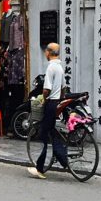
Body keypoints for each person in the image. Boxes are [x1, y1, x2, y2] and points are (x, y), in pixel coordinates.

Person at [28, 43, 70, 179]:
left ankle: (41, 168)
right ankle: (60, 157)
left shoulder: (51, 67)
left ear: (49, 52)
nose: (45, 53)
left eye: (46, 51)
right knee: (51, 131)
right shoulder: (60, 67)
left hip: (50, 104)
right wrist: (60, 98)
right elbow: (64, 88)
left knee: (44, 135)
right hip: (56, 103)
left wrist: (44, 99)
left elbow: (46, 89)